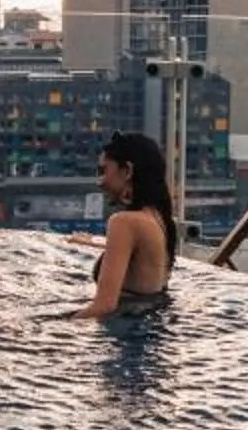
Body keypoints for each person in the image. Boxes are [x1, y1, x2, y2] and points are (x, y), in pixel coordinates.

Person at [75, 131, 176, 319]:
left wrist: (47, 331)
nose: (100, 182)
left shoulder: (123, 222)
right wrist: (90, 243)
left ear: (127, 171)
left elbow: (104, 307)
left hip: (121, 331)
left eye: (103, 171)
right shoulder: (160, 221)